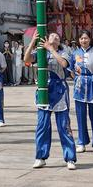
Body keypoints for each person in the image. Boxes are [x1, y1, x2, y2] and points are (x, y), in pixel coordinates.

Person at [26, 33, 77, 170]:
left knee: (64, 126)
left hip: (59, 91)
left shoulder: (63, 52)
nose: (54, 37)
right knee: (42, 125)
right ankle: (40, 157)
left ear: (59, 41)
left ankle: (70, 158)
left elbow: (64, 64)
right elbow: (27, 59)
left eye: (57, 37)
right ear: (47, 38)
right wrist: (32, 42)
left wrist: (51, 48)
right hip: (44, 90)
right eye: (52, 35)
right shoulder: (40, 51)